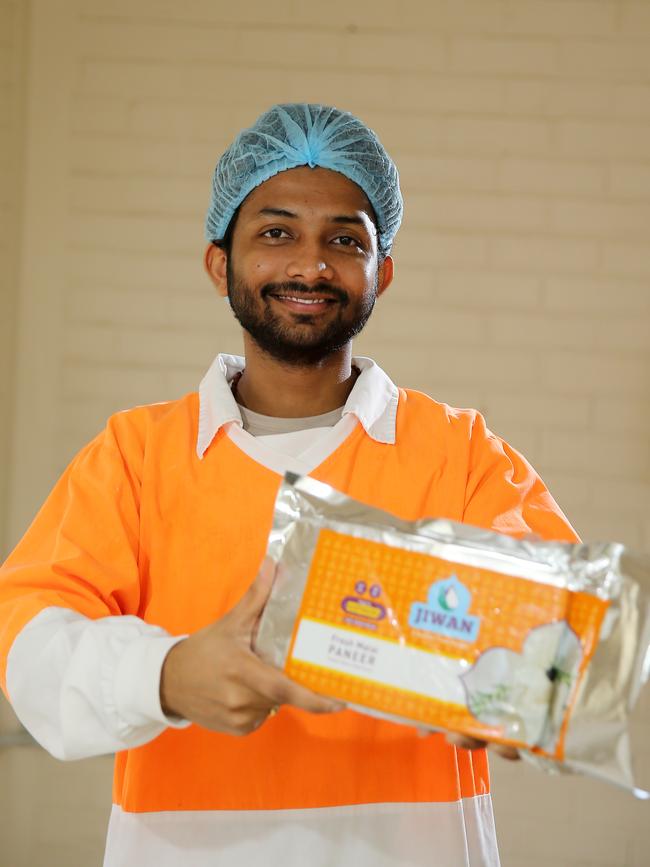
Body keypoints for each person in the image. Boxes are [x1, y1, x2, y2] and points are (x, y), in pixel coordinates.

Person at [0, 103, 578, 867]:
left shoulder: (460, 454)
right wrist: (166, 674)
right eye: (276, 233)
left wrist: (521, 685)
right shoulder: (134, 457)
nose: (311, 266)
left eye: (345, 240)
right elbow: (29, 647)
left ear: (384, 272)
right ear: (219, 264)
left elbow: (568, 634)